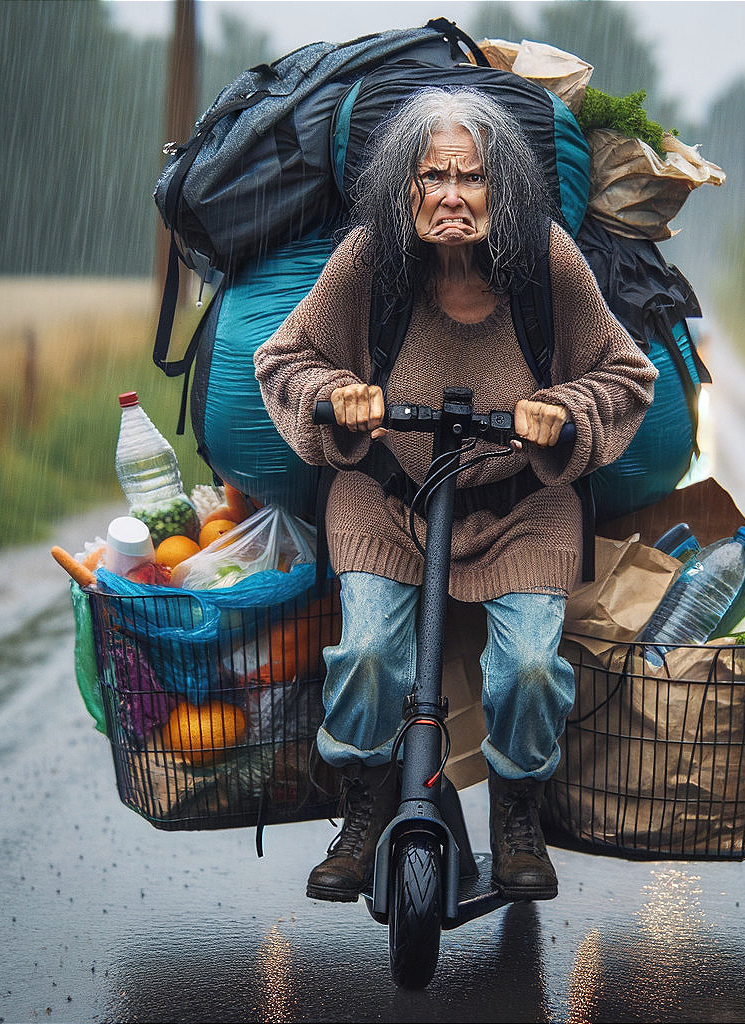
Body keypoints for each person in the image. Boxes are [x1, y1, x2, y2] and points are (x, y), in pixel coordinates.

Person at [255, 86, 655, 903]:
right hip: (388, 500)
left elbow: (625, 374)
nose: (449, 197)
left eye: (470, 179)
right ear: (403, 189)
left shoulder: (546, 262)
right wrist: (338, 395)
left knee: (532, 671)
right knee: (368, 656)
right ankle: (364, 808)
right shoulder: (369, 260)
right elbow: (282, 358)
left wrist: (566, 411)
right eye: (430, 177)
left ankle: (517, 808)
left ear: (499, 188)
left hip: (522, 509)